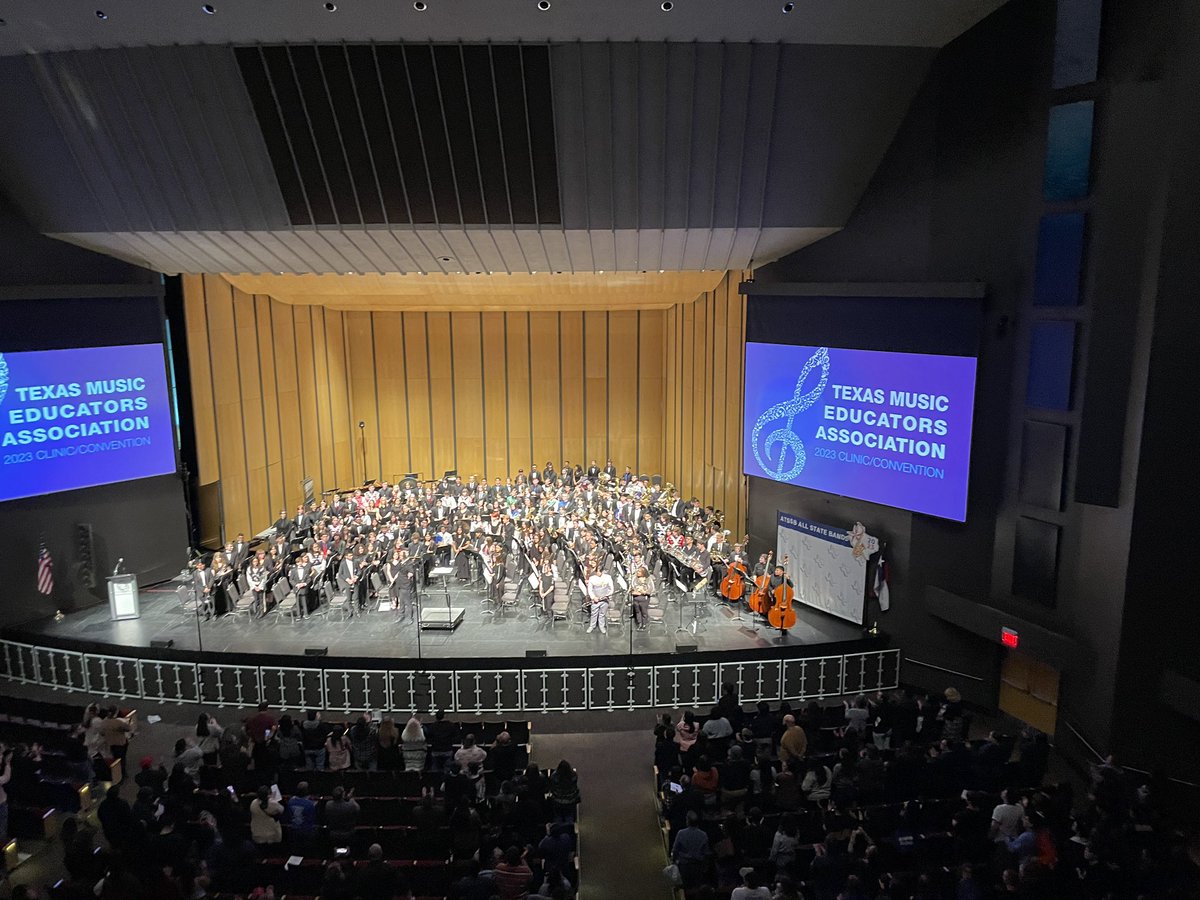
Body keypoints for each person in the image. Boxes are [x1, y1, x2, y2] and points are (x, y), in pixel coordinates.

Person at [672, 810, 710, 890]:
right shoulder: (703, 835)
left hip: (684, 866)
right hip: (697, 865)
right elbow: (706, 853)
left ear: (688, 821)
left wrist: (674, 861)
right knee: (697, 888)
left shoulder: (681, 833)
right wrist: (705, 867)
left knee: (685, 889)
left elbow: (675, 850)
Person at [284, 781, 318, 852]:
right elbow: (312, 819)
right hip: (305, 832)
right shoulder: (310, 804)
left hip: (293, 831)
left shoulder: (290, 802)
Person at [585, 565, 614, 634]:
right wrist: (593, 597)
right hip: (595, 599)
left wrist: (607, 595)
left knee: (602, 614)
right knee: (594, 613)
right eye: (597, 571)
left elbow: (611, 588)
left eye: (599, 571)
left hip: (604, 599)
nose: (598, 573)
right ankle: (592, 626)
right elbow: (590, 589)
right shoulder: (592, 578)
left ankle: (602, 626)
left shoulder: (608, 577)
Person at [629, 565, 654, 630]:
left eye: (639, 571)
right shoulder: (634, 579)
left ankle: (644, 624)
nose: (637, 572)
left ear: (643, 572)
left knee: (644, 612)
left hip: (644, 599)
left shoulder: (648, 579)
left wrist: (644, 592)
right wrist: (635, 592)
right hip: (636, 598)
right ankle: (639, 623)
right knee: (637, 611)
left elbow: (651, 589)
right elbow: (631, 588)